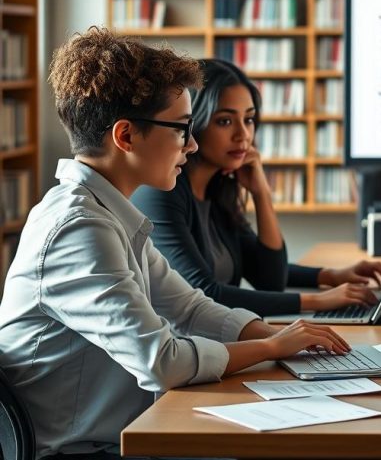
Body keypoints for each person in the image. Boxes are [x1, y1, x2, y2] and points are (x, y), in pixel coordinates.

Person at [0, 28, 350, 458]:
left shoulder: (109, 214)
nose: (193, 144)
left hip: (119, 436)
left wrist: (284, 337)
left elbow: (189, 307)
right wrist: (271, 347)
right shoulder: (77, 229)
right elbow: (160, 362)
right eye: (183, 129)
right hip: (78, 453)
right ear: (126, 136)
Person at [132, 59, 381, 317]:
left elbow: (269, 278)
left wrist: (261, 192)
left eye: (249, 119)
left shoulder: (216, 190)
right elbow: (204, 293)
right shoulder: (161, 192)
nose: (243, 134)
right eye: (225, 121)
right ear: (194, 123)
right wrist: (316, 301)